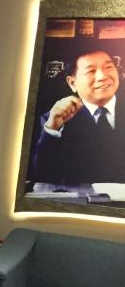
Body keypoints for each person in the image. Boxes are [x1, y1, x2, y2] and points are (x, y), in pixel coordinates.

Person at [30, 48, 125, 187]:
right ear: (72, 83)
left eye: (108, 67)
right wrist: (52, 128)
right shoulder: (53, 119)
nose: (102, 76)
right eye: (90, 71)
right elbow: (40, 174)